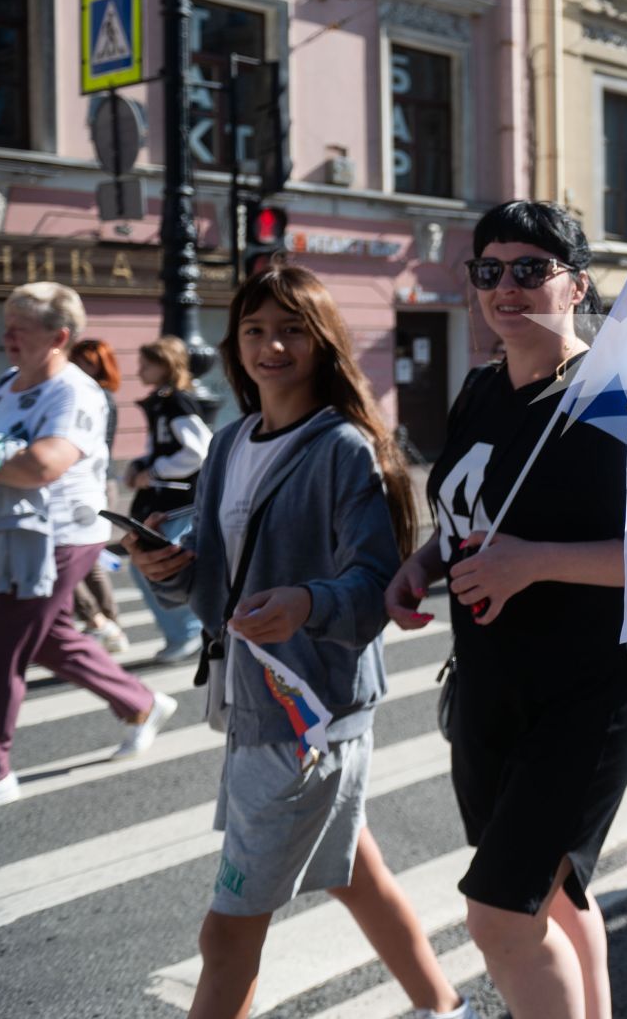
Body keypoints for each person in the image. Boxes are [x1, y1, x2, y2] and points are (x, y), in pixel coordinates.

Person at [129, 264, 467, 1019]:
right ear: (234, 343)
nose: (271, 345)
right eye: (255, 329)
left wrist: (306, 603)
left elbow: (373, 584)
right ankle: (448, 1009)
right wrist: (169, 569)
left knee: (226, 933)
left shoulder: (344, 448)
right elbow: (219, 583)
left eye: (290, 329)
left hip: (311, 709)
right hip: (256, 699)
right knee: (355, 874)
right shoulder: (228, 443)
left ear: (322, 343)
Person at [381, 201, 627, 1018]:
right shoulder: (479, 391)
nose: (507, 287)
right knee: (554, 890)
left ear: (576, 284)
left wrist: (536, 563)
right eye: (489, 270)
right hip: (491, 680)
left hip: (591, 686)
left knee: (500, 911)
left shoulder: (620, 396)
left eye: (532, 269)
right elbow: (468, 515)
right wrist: (426, 561)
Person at [0, 284, 176, 821]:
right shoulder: (7, 383)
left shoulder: (75, 393)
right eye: (6, 325)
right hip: (12, 533)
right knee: (46, 640)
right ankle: (141, 703)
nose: (6, 338)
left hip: (57, 536)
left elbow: (43, 465)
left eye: (19, 329)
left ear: (59, 336)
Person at [123, 336, 213, 664]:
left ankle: (189, 631)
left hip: (182, 501)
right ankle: (186, 631)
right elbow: (159, 449)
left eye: (146, 364)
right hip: (167, 501)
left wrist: (155, 471)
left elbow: (199, 451)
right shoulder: (162, 402)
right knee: (151, 566)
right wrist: (138, 467)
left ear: (165, 364)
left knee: (162, 565)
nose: (139, 370)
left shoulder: (176, 402)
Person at [67, 338, 130, 654]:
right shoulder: (96, 394)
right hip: (96, 483)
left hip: (90, 485)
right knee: (87, 558)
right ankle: (106, 622)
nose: (78, 367)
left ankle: (98, 621)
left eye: (86, 361)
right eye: (76, 360)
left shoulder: (94, 395)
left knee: (70, 557)